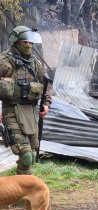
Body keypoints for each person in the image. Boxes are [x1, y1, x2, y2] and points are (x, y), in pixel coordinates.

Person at [0, 25, 52, 174]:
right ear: (16, 42)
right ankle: (23, 190)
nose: (29, 45)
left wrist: (47, 104)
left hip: (31, 112)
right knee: (26, 154)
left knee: (31, 156)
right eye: (25, 42)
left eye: (30, 42)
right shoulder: (5, 62)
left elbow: (47, 84)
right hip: (11, 111)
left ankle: (22, 189)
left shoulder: (36, 64)